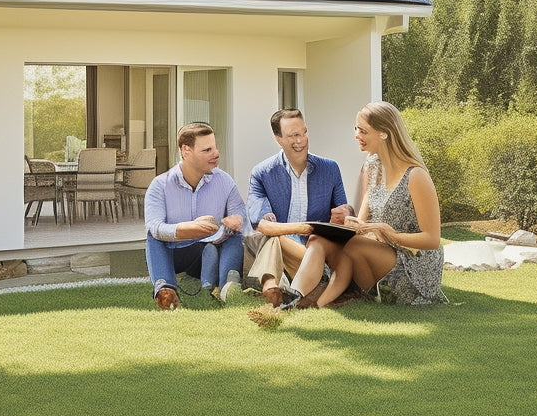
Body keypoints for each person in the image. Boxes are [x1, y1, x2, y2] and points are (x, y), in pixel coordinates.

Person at [282, 101, 448, 308]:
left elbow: (432, 240)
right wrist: (350, 224)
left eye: (362, 130)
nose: (356, 135)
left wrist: (390, 234)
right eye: (356, 129)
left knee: (350, 246)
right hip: (374, 250)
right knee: (319, 238)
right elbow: (362, 221)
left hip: (413, 265)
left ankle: (323, 297)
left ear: (384, 133)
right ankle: (293, 296)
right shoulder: (371, 167)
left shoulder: (416, 176)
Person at [245, 108, 352, 307]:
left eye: (304, 132)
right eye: (293, 135)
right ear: (278, 138)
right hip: (286, 251)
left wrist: (346, 213)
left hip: (317, 251)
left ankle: (270, 284)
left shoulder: (330, 169)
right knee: (269, 237)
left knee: (272, 238)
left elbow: (343, 218)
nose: (301, 140)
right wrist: (303, 227)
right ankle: (278, 285)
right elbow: (264, 226)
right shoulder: (262, 173)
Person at [144, 122, 246, 310]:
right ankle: (165, 289)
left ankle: (228, 287)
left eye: (215, 147)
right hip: (175, 253)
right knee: (153, 237)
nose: (216, 154)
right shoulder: (160, 185)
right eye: (207, 150)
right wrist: (187, 228)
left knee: (234, 235)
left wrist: (238, 218)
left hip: (207, 249)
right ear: (186, 151)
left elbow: (240, 212)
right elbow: (154, 226)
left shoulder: (224, 181)